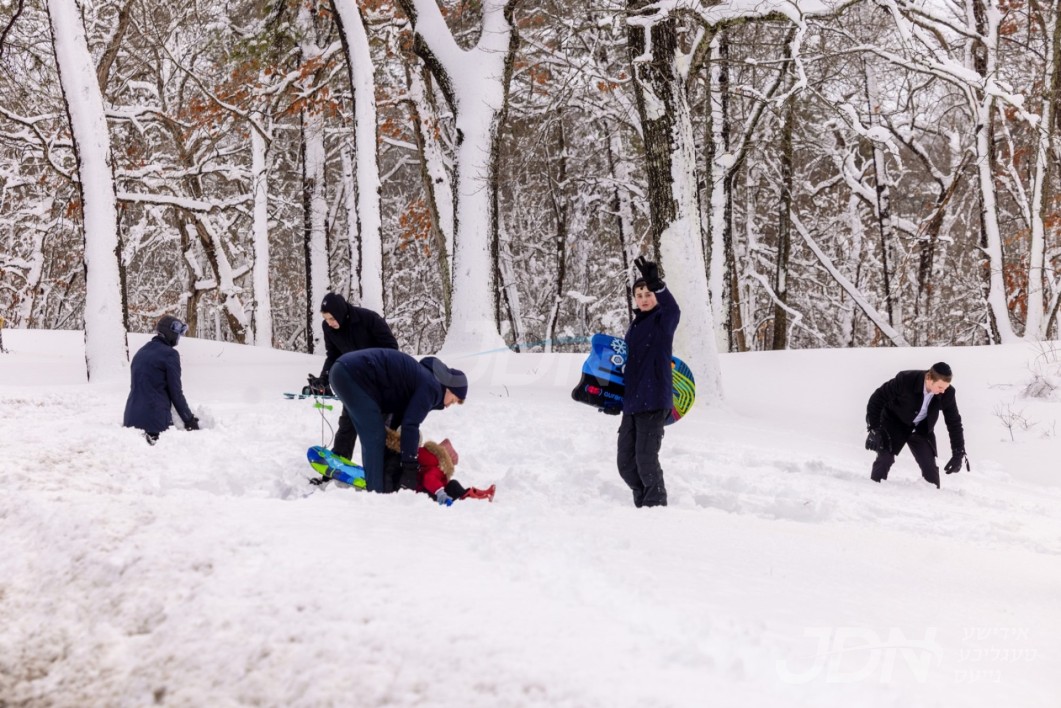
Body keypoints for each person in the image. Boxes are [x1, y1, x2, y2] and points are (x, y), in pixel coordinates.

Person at [328, 348, 467, 493]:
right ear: (449, 389)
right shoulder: (432, 388)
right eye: (453, 400)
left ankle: (379, 483)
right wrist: (409, 468)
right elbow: (410, 425)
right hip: (353, 375)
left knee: (377, 433)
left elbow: (399, 419)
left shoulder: (423, 379)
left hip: (345, 371)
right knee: (375, 437)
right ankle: (376, 495)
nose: (449, 405)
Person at [616, 256, 680, 508]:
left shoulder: (663, 320)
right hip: (632, 403)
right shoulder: (635, 325)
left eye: (648, 294)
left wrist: (659, 286)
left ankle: (655, 507)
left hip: (653, 401)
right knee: (625, 464)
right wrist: (611, 398)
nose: (643, 298)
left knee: (646, 459)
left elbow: (674, 310)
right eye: (639, 295)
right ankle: (642, 503)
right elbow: (629, 367)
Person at [307, 292, 398, 460]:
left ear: (340, 313)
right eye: (326, 319)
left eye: (332, 318)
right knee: (347, 423)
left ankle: (387, 468)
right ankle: (339, 461)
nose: (329, 323)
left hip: (382, 382)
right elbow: (333, 355)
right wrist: (324, 378)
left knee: (380, 428)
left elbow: (392, 348)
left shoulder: (369, 319)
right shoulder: (328, 328)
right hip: (356, 381)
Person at [865, 362, 967, 488]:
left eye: (945, 387)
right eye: (940, 387)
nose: (943, 391)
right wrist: (874, 429)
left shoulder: (947, 393)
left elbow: (954, 422)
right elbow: (877, 399)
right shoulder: (905, 379)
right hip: (894, 423)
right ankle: (874, 489)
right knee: (885, 459)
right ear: (929, 378)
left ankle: (932, 497)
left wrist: (958, 452)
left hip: (921, 429)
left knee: (930, 471)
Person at [123, 315, 199, 444]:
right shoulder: (170, 354)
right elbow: (176, 393)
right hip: (154, 422)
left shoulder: (141, 352)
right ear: (170, 333)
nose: (179, 337)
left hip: (130, 419)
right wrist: (189, 420)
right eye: (178, 334)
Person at [383, 430, 495, 505]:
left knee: (453, 485)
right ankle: (472, 497)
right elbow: (429, 478)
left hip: (420, 487)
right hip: (424, 493)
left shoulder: (428, 456)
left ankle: (477, 494)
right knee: (453, 485)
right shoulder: (438, 466)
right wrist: (440, 493)